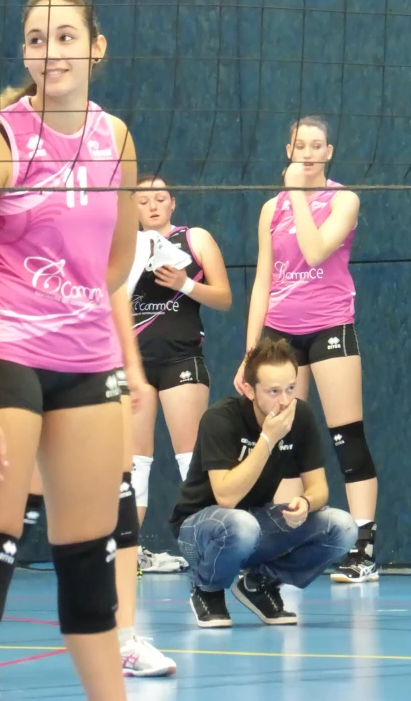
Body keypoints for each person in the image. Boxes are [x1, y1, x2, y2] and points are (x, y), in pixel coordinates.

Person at [0, 0, 137, 701]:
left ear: (95, 47)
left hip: (86, 360)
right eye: (34, 39)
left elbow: (117, 262)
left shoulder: (114, 138)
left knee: (89, 559)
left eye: (62, 38)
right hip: (6, 354)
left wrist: (74, 300)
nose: (48, 52)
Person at [234, 116, 379, 584]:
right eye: (302, 146)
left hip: (329, 325)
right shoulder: (269, 209)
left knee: (345, 436)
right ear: (289, 149)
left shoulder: (344, 199)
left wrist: (297, 194)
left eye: (318, 146)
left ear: (329, 152)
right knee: (282, 436)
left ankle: (363, 548)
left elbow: (315, 252)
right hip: (280, 333)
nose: (310, 153)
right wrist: (251, 350)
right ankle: (282, 546)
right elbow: (262, 280)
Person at [17, 286, 177, 678]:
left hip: (94, 352)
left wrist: (133, 368)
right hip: (23, 347)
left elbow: (114, 279)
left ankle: (124, 640)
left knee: (121, 492)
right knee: (18, 507)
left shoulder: (105, 227)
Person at [170, 338, 357, 627]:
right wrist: (267, 440)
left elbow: (319, 487)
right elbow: (226, 497)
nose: (284, 401)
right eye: (273, 391)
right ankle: (207, 588)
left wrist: (306, 504)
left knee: (342, 528)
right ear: (248, 389)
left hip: (253, 524)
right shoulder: (220, 420)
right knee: (240, 524)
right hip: (201, 531)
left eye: (290, 389)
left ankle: (259, 583)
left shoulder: (300, 415)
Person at [130, 175, 232, 570]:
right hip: (136, 365)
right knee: (135, 463)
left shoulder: (194, 239)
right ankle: (130, 551)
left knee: (191, 460)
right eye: (143, 200)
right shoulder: (123, 246)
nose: (152, 205)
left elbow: (223, 298)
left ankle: (204, 547)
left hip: (181, 360)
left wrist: (185, 282)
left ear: (172, 203)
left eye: (160, 198)